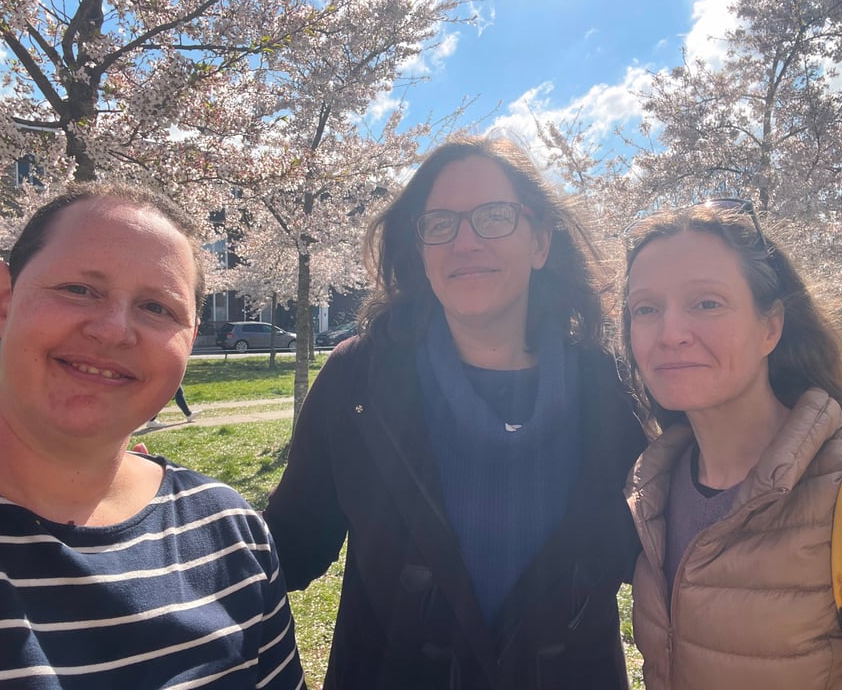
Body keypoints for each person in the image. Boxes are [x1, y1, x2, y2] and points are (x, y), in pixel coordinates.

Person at [264, 135, 647, 689]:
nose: (464, 242)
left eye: (493, 217)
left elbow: (673, 557)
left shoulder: (612, 384)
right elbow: (289, 548)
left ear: (541, 242)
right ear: (419, 251)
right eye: (440, 224)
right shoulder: (360, 379)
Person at [0, 181, 305, 689]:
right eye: (79, 290)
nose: (113, 330)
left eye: (157, 308)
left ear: (186, 343)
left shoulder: (231, 533)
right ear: (0, 301)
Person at [621, 199, 842, 689]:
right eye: (646, 309)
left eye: (706, 303)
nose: (670, 333)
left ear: (771, 326)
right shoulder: (650, 492)